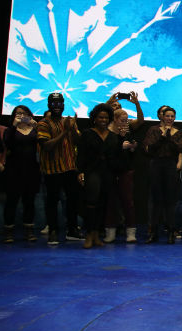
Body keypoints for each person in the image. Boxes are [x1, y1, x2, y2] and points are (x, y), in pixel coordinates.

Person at [37, 93, 82, 245]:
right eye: (54, 104)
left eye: (60, 103)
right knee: (52, 201)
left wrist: (73, 130)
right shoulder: (43, 123)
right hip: (52, 170)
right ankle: (53, 231)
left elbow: (78, 142)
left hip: (69, 167)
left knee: (73, 200)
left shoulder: (69, 121)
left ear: (63, 105)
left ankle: (72, 230)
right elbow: (47, 146)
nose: (57, 107)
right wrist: (65, 132)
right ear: (49, 105)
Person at [77, 103, 121, 249]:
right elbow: (81, 155)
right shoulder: (87, 133)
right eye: (100, 117)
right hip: (92, 172)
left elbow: (116, 158)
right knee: (91, 203)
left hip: (108, 173)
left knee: (102, 204)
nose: (103, 120)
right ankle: (89, 235)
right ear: (94, 118)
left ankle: (96, 235)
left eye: (106, 117)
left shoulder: (114, 137)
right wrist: (80, 172)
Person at [143, 107, 182, 244]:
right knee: (156, 200)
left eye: (172, 116)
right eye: (167, 116)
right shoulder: (153, 130)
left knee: (170, 200)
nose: (170, 118)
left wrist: (169, 137)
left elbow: (178, 149)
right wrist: (162, 137)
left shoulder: (178, 132)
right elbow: (149, 149)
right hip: (156, 165)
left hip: (170, 166)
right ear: (162, 117)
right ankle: (153, 233)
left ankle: (171, 231)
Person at [2, 106, 40, 243]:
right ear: (13, 116)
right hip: (13, 170)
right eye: (18, 114)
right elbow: (8, 144)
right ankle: (8, 232)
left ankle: (29, 230)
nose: (21, 116)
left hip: (31, 170)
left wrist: (37, 128)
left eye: (24, 114)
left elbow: (42, 145)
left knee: (29, 202)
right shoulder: (10, 130)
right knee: (11, 201)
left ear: (30, 115)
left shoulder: (35, 129)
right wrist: (14, 126)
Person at [104, 108, 140, 243]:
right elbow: (107, 151)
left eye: (126, 121)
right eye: (122, 120)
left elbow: (132, 150)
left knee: (128, 202)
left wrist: (132, 147)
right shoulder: (108, 132)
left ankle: (131, 231)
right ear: (115, 119)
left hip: (126, 170)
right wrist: (120, 145)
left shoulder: (128, 132)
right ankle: (110, 231)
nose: (125, 123)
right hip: (111, 170)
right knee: (111, 201)